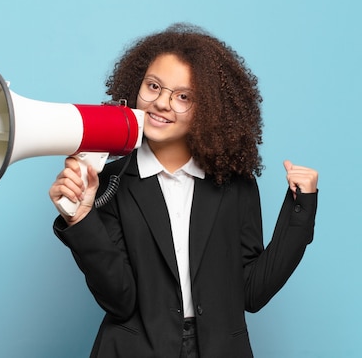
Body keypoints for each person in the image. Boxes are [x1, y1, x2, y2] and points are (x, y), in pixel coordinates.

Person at [49, 23, 319, 358]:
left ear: (208, 109)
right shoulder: (107, 182)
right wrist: (82, 218)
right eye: (153, 86)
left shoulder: (235, 184)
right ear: (136, 86)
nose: (161, 103)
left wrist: (300, 211)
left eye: (182, 96)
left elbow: (251, 292)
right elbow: (120, 300)